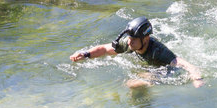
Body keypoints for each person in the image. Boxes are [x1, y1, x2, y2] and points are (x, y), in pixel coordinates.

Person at [70, 16, 204, 88]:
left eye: (133, 39)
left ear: (145, 38)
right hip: (148, 69)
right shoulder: (130, 44)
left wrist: (196, 78)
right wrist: (86, 54)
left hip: (163, 71)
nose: (129, 42)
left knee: (132, 83)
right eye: (129, 38)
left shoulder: (158, 50)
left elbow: (182, 63)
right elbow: (105, 49)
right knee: (132, 83)